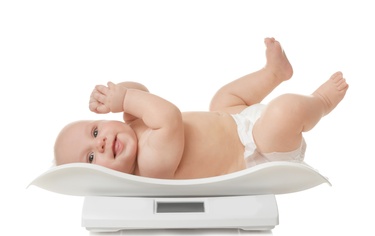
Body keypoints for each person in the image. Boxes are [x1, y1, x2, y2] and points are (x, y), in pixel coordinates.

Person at [54, 37, 348, 179]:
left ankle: (274, 73)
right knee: (283, 114)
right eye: (91, 156)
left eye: (94, 130)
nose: (102, 141)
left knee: (221, 99)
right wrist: (125, 100)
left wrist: (117, 93)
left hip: (235, 122)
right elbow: (168, 117)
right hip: (258, 150)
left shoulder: (130, 128)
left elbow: (141, 93)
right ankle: (320, 101)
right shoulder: (149, 166)